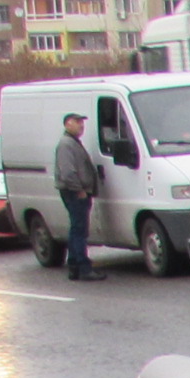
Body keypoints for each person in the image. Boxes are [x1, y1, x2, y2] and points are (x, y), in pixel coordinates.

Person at [52, 113, 105, 281]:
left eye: (82, 122)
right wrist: (79, 189)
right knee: (79, 229)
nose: (81, 125)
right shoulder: (66, 144)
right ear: (67, 124)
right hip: (74, 192)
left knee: (77, 228)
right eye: (77, 122)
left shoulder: (72, 142)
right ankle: (83, 267)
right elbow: (67, 172)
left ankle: (74, 264)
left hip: (77, 190)